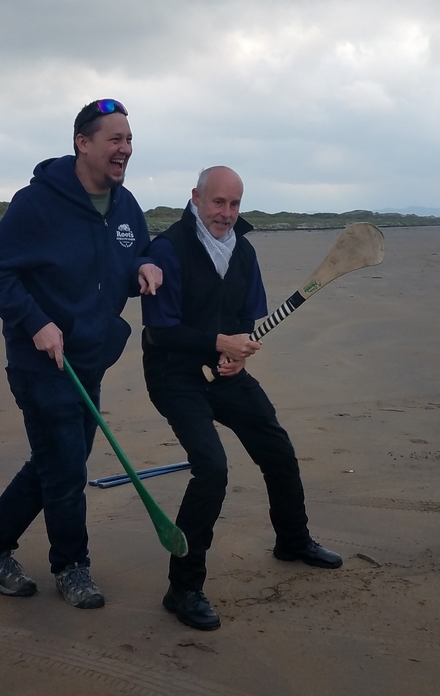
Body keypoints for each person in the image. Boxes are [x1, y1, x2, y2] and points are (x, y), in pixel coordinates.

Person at [0, 99, 162, 609]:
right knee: (67, 469)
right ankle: (73, 568)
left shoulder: (125, 204)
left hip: (90, 359)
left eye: (129, 139)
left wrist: (146, 267)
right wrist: (36, 322)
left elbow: (139, 251)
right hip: (42, 362)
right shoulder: (37, 203)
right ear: (83, 143)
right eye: (115, 139)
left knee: (54, 464)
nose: (125, 149)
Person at [141, 165, 342, 631]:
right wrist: (218, 344)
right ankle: (183, 588)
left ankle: (292, 540)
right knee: (212, 467)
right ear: (196, 197)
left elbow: (247, 322)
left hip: (227, 372)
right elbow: (161, 331)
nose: (226, 214)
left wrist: (240, 354)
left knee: (276, 447)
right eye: (218, 202)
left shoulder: (244, 252)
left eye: (234, 204)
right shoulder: (168, 251)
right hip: (175, 377)